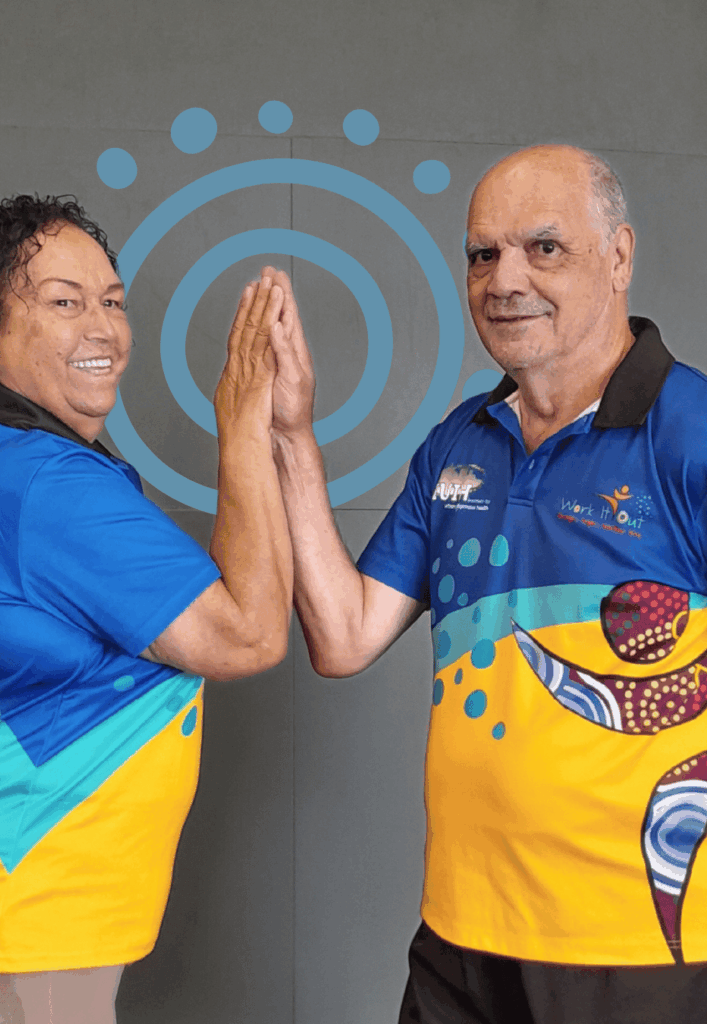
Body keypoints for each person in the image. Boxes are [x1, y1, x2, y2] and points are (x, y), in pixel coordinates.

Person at [263, 145, 707, 1023]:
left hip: (639, 950)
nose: (504, 280)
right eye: (482, 253)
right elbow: (344, 636)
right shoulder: (456, 445)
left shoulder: (689, 434)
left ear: (617, 257)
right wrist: (290, 438)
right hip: (461, 939)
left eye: (544, 248)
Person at [0, 195, 292, 1024]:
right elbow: (244, 635)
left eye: (111, 300)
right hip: (14, 913)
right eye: (62, 302)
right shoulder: (46, 483)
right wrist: (244, 420)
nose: (102, 327)